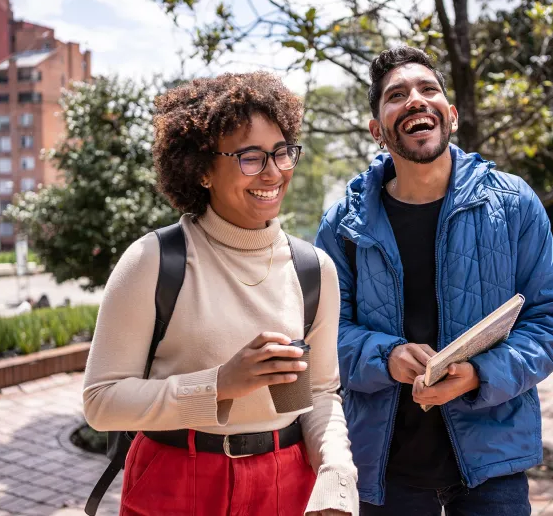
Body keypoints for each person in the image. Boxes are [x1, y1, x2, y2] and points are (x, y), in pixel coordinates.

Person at [315, 46, 553, 515]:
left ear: (450, 116)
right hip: (383, 471)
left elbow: (550, 317)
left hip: (491, 469)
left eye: (428, 89)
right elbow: (323, 335)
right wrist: (386, 356)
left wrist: (479, 374)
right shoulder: (342, 225)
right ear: (377, 130)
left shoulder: (513, 204)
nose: (415, 99)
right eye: (396, 95)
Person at [83, 73, 357, 516]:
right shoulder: (154, 260)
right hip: (178, 479)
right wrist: (219, 385)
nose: (273, 172)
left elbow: (319, 394)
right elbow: (100, 402)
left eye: (282, 153)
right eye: (250, 156)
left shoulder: (313, 270)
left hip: (287, 483)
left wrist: (336, 472)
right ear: (204, 169)